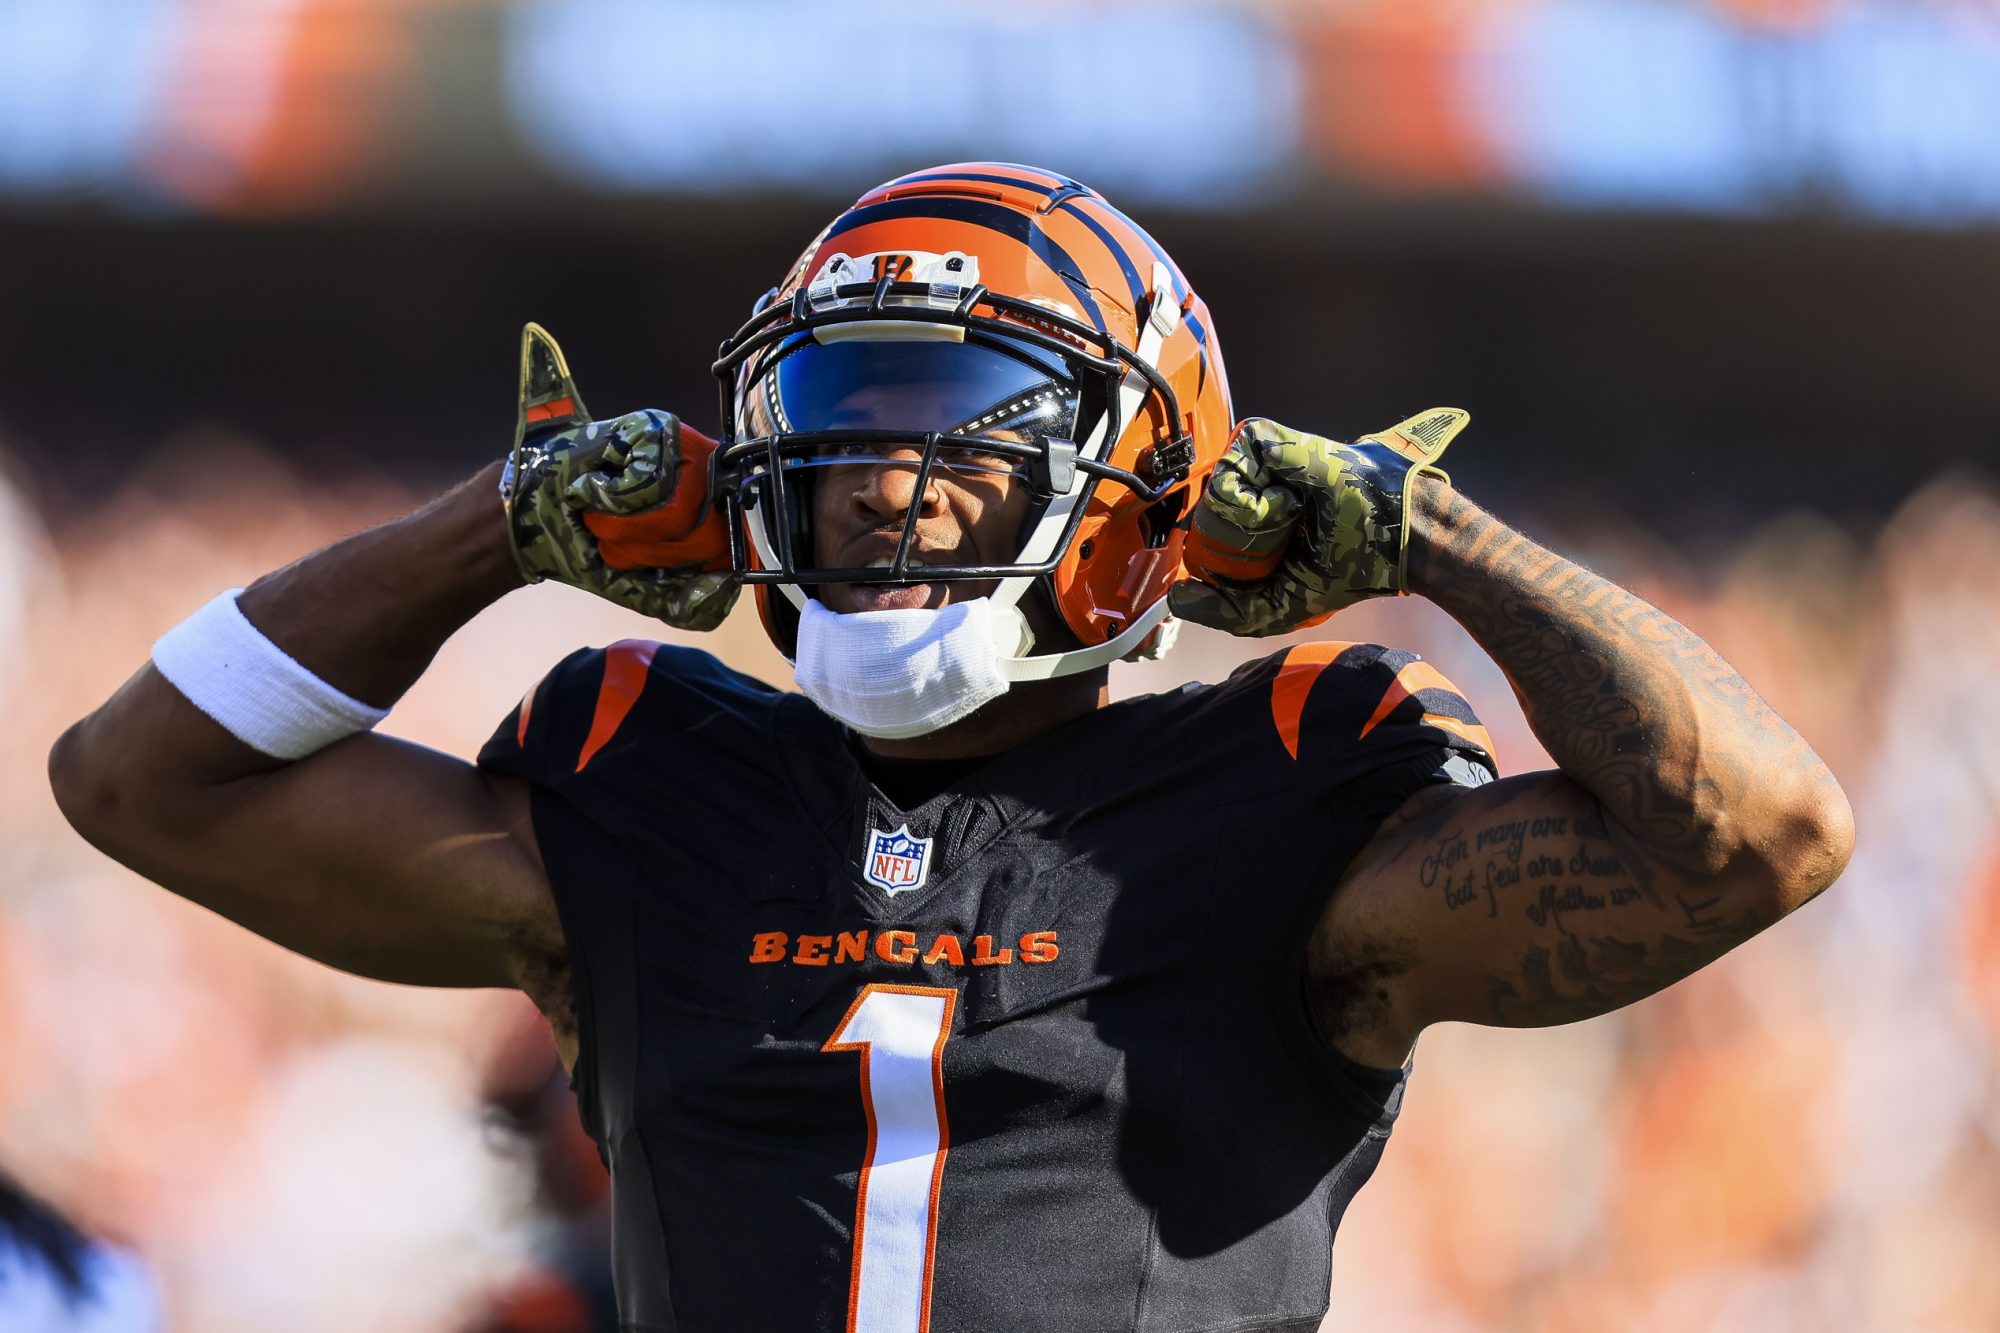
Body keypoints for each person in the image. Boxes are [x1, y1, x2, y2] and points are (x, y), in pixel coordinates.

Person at [49, 163, 1853, 1333]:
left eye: (963, 432)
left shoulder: (1290, 791)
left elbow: (1760, 831)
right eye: (839, 424)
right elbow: (137, 778)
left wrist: (1434, 537)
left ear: (1149, 487)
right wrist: (501, 520)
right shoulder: (646, 772)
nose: (884, 483)